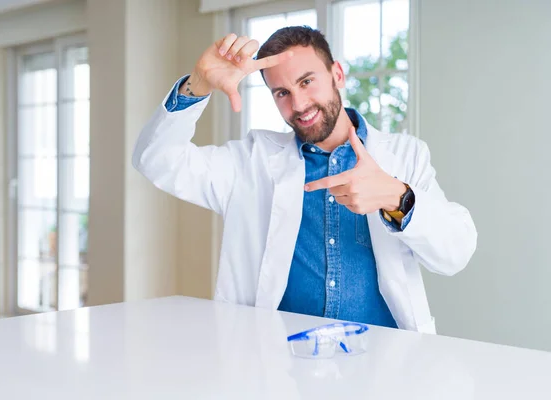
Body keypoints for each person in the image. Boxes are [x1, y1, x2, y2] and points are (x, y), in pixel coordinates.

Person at [132, 26, 477, 333]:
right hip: (279, 365)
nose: (298, 103)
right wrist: (198, 84)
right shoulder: (251, 162)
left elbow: (456, 253)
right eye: (281, 92)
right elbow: (156, 159)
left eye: (306, 81)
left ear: (337, 74)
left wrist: (397, 197)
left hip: (384, 366)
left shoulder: (404, 156)